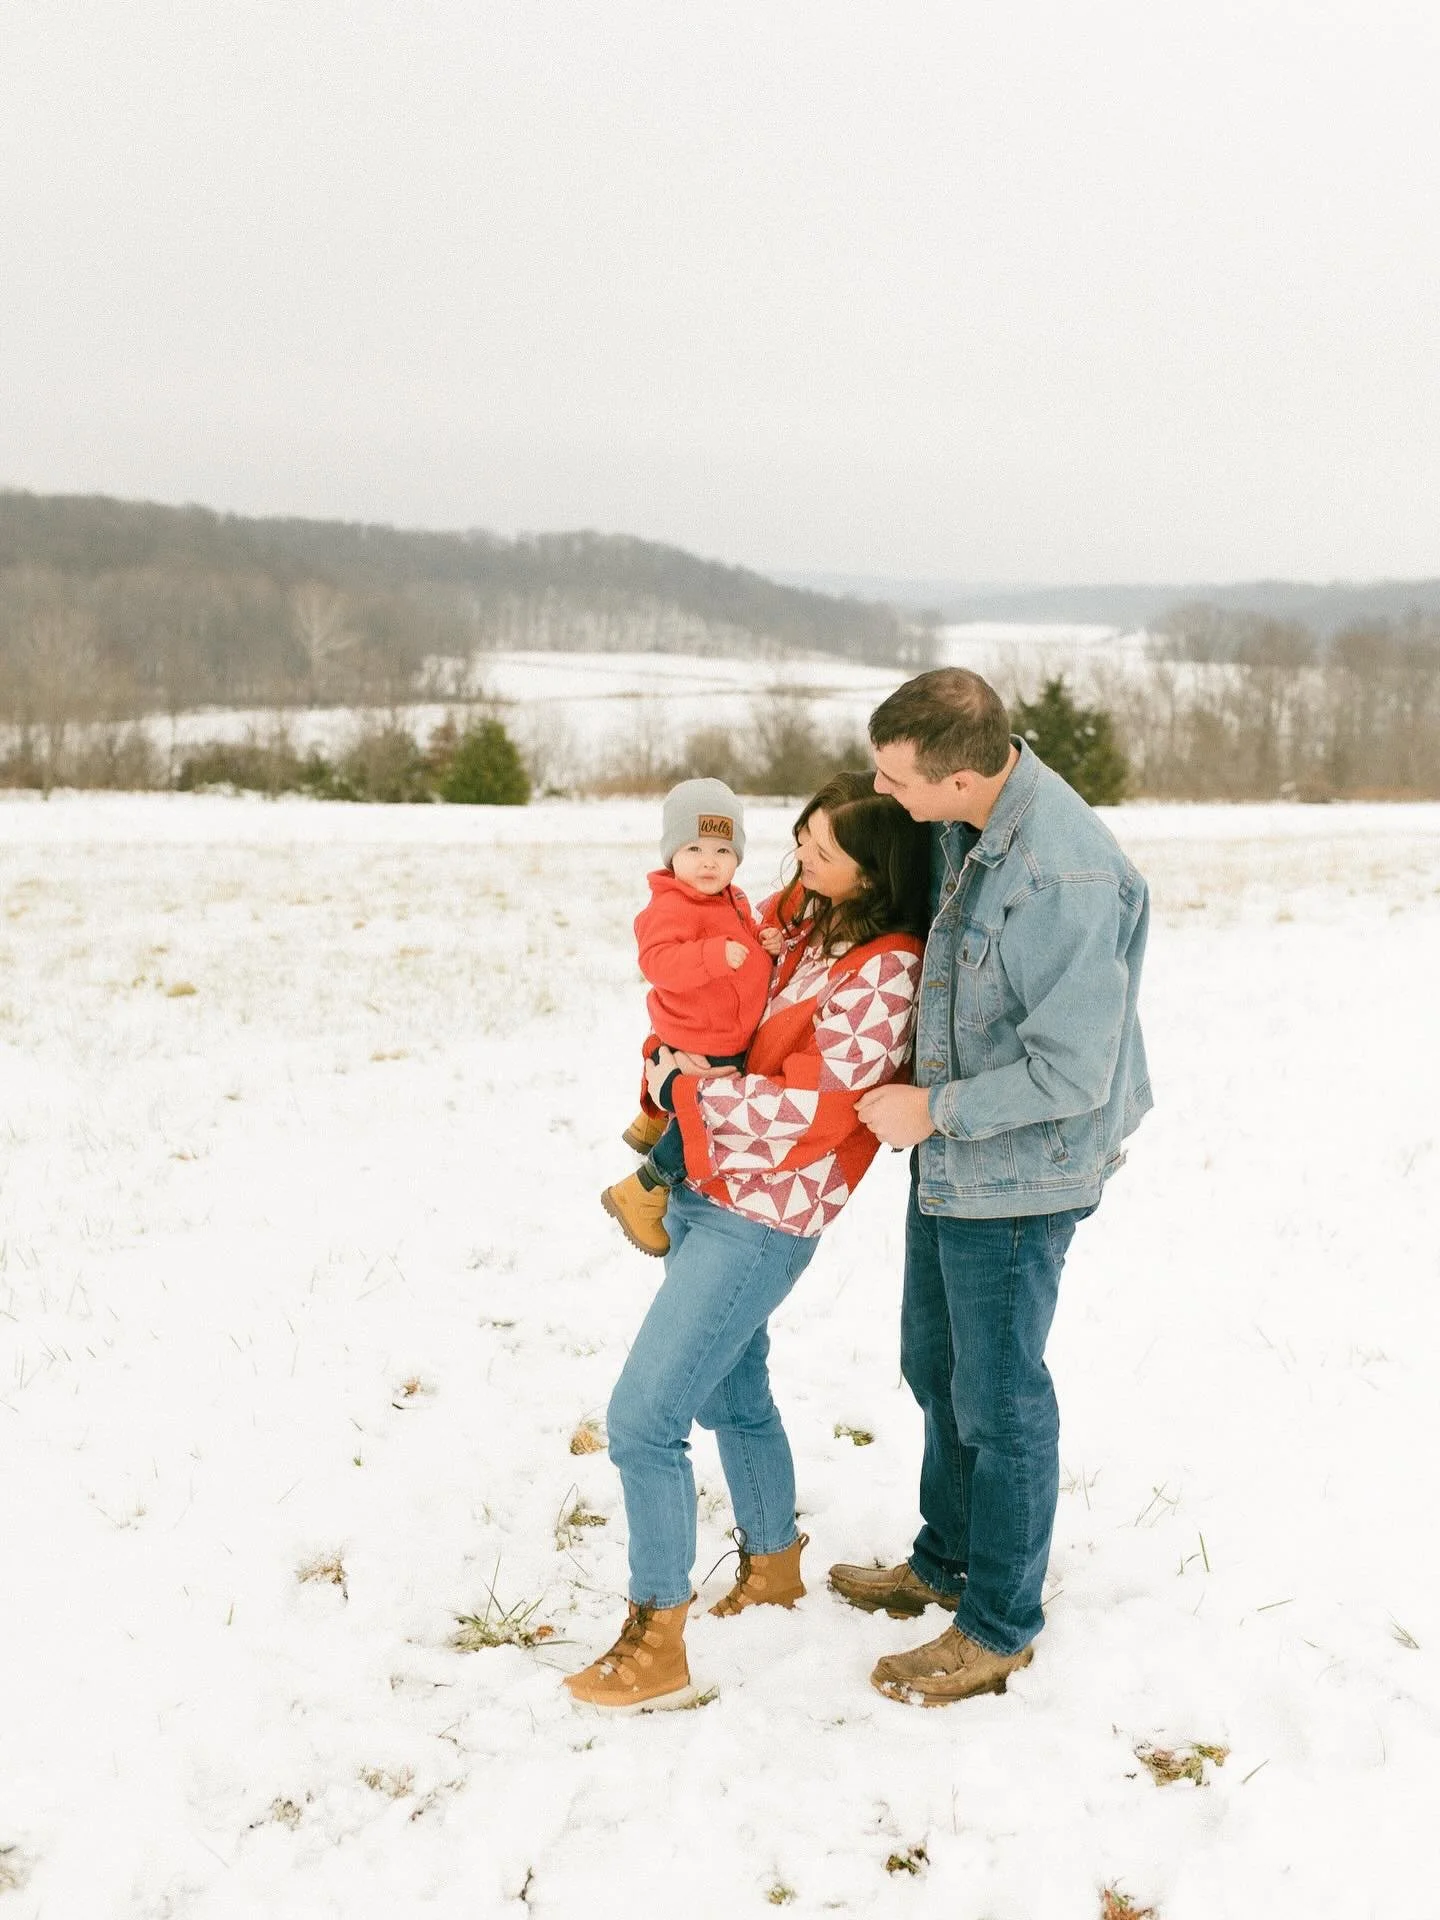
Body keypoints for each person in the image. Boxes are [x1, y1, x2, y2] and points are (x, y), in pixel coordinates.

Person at [564, 772, 931, 1712]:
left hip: (763, 1216)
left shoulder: (886, 970)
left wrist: (684, 1092)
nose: (797, 864)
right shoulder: (802, 920)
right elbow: (700, 1004)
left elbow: (816, 1111)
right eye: (801, 842)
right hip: (706, 1188)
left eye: (821, 853)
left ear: (875, 871)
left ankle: (658, 1643)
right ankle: (771, 1563)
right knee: (734, 1388)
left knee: (645, 1420)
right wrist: (663, 1064)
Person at [829, 667, 1152, 1708]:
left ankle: (1000, 1622)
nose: (887, 798)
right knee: (935, 1364)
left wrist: (935, 1110)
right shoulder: (961, 820)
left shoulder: (1066, 876)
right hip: (956, 1153)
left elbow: (1072, 1072)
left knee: (1002, 1396)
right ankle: (946, 1556)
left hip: (1022, 1166)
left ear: (961, 775)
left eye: (897, 781)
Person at [602, 777, 772, 1258]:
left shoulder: (732, 899)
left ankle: (651, 1119)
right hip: (704, 1035)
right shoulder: (671, 906)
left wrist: (764, 946)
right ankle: (643, 1189)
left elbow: (744, 947)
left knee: (690, 1095)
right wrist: (713, 955)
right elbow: (658, 963)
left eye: (722, 849)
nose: (708, 861)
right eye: (694, 847)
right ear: (671, 853)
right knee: (708, 1118)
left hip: (717, 1029)